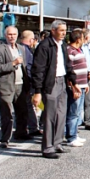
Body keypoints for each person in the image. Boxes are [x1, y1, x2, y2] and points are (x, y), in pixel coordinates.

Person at [31, 20, 79, 159]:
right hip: (50, 84)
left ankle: (57, 143)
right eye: (61, 30)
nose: (64, 33)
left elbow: (67, 65)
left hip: (62, 82)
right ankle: (47, 148)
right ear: (53, 31)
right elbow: (38, 70)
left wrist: (73, 82)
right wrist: (38, 92)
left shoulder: (62, 45)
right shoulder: (45, 46)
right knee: (49, 117)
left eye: (65, 30)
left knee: (61, 114)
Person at [0, 26, 30, 148]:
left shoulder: (21, 48)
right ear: (5, 36)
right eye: (9, 34)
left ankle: (21, 133)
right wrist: (13, 63)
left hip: (20, 85)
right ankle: (5, 138)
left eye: (14, 34)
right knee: (7, 114)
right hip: (6, 86)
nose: (12, 36)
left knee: (22, 111)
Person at [65, 29, 89, 147]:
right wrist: (74, 86)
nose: (85, 40)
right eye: (84, 38)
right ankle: (70, 137)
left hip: (82, 86)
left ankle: (74, 134)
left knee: (78, 112)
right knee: (73, 112)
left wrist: (86, 84)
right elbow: (69, 71)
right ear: (78, 39)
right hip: (75, 87)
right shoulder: (69, 51)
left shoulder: (78, 50)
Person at [19, 30, 42, 136]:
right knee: (31, 105)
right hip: (28, 82)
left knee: (31, 105)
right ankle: (33, 127)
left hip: (26, 82)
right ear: (31, 39)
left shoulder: (21, 49)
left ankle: (34, 126)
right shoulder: (25, 51)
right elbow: (28, 68)